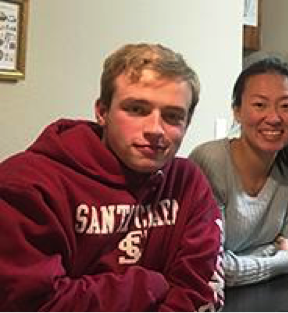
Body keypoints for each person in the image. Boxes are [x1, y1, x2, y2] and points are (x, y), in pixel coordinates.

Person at [0, 43, 222, 312]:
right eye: (136, 109)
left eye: (173, 116)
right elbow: (34, 304)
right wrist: (149, 285)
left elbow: (198, 292)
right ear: (102, 112)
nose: (155, 129)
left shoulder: (188, 183)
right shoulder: (26, 185)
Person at [189, 57, 288, 287]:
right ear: (237, 111)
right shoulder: (210, 162)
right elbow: (213, 268)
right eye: (260, 105)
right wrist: (280, 261)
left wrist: (274, 256)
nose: (273, 118)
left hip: (268, 292)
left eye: (286, 106)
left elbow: (287, 242)